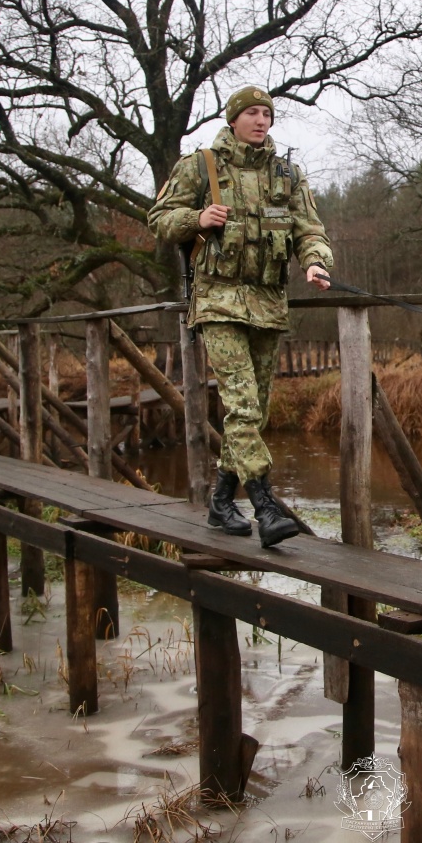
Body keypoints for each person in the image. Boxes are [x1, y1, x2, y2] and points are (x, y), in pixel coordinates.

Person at [148, 86, 334, 547]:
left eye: (266, 114)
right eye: (251, 113)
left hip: (268, 306)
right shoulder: (201, 165)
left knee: (256, 412)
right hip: (218, 302)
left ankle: (220, 503)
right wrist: (197, 219)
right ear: (233, 119)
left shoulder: (287, 174)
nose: (261, 120)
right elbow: (160, 218)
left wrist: (314, 262)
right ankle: (266, 505)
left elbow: (309, 228)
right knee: (243, 405)